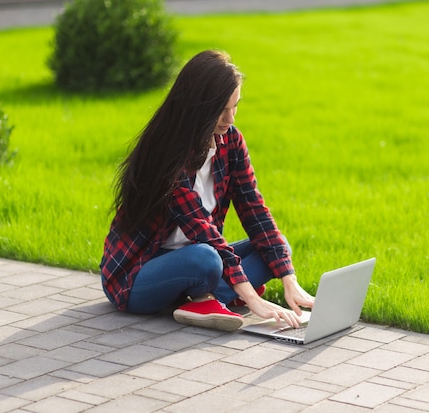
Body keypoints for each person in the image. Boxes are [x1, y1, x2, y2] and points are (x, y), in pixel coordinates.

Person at [100, 50, 314, 332]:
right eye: (221, 110)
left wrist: (290, 280)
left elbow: (254, 209)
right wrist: (251, 298)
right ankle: (216, 297)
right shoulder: (166, 150)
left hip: (201, 258)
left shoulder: (230, 141)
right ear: (197, 107)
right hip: (139, 274)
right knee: (206, 259)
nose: (231, 118)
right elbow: (200, 226)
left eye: (235, 106)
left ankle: (203, 301)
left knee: (277, 248)